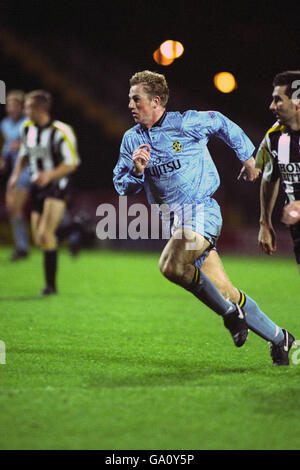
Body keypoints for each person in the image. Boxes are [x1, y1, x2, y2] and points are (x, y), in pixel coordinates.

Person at [113, 70, 295, 366]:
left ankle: (229, 315)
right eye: (130, 100)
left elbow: (221, 122)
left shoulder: (185, 123)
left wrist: (248, 158)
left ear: (156, 101)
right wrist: (137, 171)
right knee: (226, 292)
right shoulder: (131, 140)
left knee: (170, 265)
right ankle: (280, 338)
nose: (131, 105)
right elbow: (122, 185)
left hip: (201, 211)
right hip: (175, 222)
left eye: (136, 100)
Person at [9, 90, 80, 295]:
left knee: (45, 234)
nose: (24, 110)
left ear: (39, 109)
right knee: (41, 239)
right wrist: (15, 176)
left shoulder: (61, 131)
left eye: (28, 107)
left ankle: (50, 286)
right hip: (36, 186)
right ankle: (76, 226)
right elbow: (24, 154)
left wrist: (49, 176)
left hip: (57, 185)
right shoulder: (26, 128)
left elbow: (71, 163)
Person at [255, 71, 300, 274]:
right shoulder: (274, 137)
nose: (271, 106)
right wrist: (265, 223)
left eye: (278, 100)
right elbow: (269, 176)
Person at [0, 90, 30, 260]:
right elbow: (7, 146)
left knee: (16, 208)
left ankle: (22, 247)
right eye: (8, 105)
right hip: (15, 170)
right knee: (12, 208)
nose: (10, 109)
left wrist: (23, 146)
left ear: (21, 107)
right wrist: (3, 159)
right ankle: (22, 246)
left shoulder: (28, 122)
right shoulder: (4, 124)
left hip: (29, 170)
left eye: (14, 105)